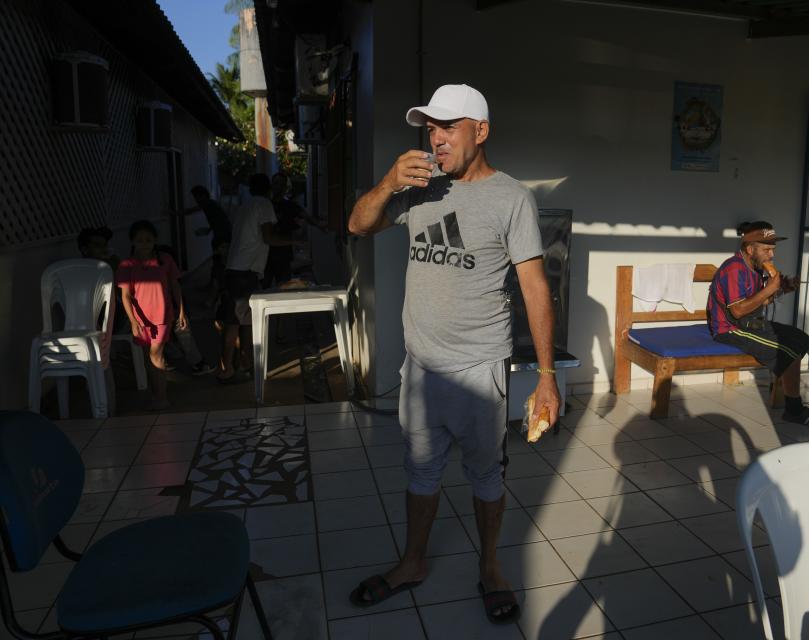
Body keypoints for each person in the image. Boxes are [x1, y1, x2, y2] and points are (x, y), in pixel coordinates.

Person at [345, 84, 560, 624]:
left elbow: (535, 288)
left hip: (479, 369)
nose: (436, 140)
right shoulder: (420, 189)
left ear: (481, 131)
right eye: (431, 129)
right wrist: (389, 182)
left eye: (449, 128)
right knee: (420, 472)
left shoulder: (511, 198)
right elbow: (358, 224)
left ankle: (490, 567)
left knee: (487, 475)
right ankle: (412, 562)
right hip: (420, 368)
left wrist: (547, 375)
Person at [707, 220, 809, 427]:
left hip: (751, 323)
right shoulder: (734, 269)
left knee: (801, 339)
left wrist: (782, 289)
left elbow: (760, 301)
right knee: (787, 349)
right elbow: (737, 311)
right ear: (750, 248)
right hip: (730, 329)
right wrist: (770, 289)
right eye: (767, 249)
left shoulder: (755, 268)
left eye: (773, 249)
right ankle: (794, 410)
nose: (771, 255)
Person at [217, 173, 299, 383]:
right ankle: (227, 370)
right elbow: (269, 237)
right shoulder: (264, 204)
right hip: (245, 273)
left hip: (235, 270)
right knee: (236, 324)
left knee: (241, 322)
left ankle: (242, 366)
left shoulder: (244, 206)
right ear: (269, 189)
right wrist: (295, 242)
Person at [116, 220, 187, 410]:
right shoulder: (127, 265)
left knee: (157, 354)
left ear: (155, 240)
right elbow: (126, 295)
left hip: (163, 315)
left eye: (148, 240)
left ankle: (162, 398)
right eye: (140, 240)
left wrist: (181, 311)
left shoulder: (165, 260)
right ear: (133, 242)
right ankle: (156, 395)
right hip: (140, 319)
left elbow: (175, 286)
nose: (144, 244)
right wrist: (132, 321)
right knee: (149, 358)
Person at [261, 172, 305, 288]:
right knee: (264, 288)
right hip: (265, 254)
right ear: (271, 185)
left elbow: (305, 217)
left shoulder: (290, 205)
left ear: (286, 187)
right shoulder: (264, 204)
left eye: (281, 184)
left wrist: (320, 224)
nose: (278, 187)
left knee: (284, 289)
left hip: (284, 254)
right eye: (275, 183)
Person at [186, 186, 232, 295]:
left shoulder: (208, 204)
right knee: (217, 263)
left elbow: (192, 210)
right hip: (222, 237)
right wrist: (209, 230)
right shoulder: (211, 204)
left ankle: (217, 291)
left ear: (202, 196)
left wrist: (176, 213)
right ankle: (213, 288)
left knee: (219, 264)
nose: (196, 200)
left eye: (196, 197)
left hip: (222, 238)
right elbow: (219, 220)